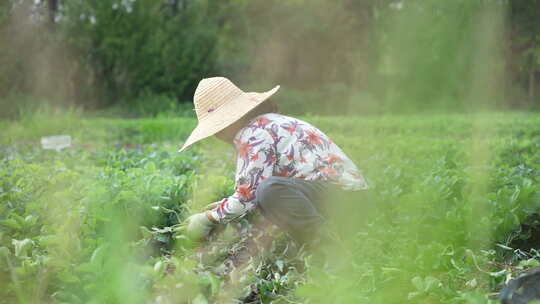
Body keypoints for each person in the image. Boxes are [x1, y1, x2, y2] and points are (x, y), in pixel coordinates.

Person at [181, 77, 368, 244]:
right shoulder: (263, 124)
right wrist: (225, 206)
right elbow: (251, 195)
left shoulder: (254, 134)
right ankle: (315, 242)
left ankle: (329, 248)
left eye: (219, 127)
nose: (218, 134)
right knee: (267, 194)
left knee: (270, 190)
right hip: (346, 197)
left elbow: (247, 197)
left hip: (346, 200)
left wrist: (208, 218)